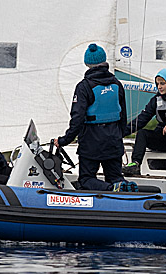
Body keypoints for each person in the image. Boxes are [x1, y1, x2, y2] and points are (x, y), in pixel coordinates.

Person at [54, 43, 136, 192]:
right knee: (115, 177)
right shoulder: (117, 84)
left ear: (87, 63)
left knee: (86, 179)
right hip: (114, 141)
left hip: (91, 142)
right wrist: (119, 137)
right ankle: (120, 187)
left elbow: (77, 119)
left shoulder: (84, 87)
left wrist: (63, 140)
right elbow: (123, 117)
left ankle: (111, 188)